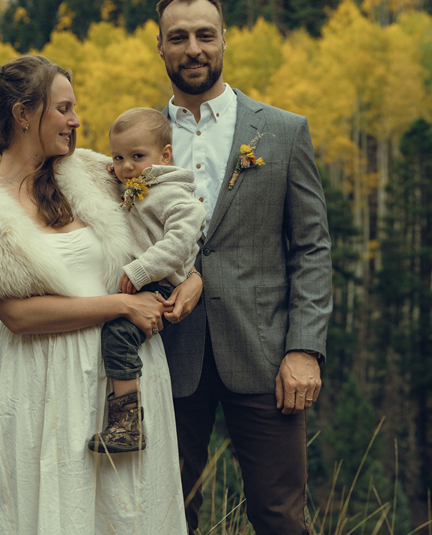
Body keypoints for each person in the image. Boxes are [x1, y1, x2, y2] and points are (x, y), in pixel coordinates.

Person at [0, 55, 190, 534]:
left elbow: (176, 221)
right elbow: (19, 317)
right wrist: (123, 304)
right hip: (39, 381)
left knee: (128, 514)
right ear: (25, 114)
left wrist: (194, 280)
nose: (76, 120)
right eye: (63, 108)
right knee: (44, 509)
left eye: (74, 108)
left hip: (122, 378)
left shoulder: (95, 173)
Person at [153, 1, 333, 534]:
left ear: (224, 40)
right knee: (165, 517)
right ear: (159, 46)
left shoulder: (282, 130)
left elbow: (312, 248)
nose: (193, 49)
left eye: (205, 35)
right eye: (179, 37)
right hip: (165, 353)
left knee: (279, 517)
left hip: (266, 355)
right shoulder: (135, 140)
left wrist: (304, 348)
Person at [88, 107, 206, 454]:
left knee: (119, 336)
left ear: (165, 155)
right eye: (118, 157)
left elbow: (181, 242)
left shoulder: (173, 195)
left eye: (137, 157)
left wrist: (140, 270)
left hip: (161, 285)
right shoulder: (139, 186)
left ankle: (127, 426)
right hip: (146, 282)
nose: (126, 167)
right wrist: (117, 172)